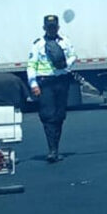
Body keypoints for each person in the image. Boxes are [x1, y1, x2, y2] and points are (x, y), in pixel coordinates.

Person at [27, 15, 77, 163]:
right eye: (49, 27)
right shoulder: (38, 44)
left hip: (62, 80)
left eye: (54, 27)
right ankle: (52, 150)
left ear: (58, 27)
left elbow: (74, 56)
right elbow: (31, 65)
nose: (52, 29)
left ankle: (56, 146)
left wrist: (65, 63)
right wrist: (33, 84)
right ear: (44, 28)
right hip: (45, 82)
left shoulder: (65, 42)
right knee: (48, 115)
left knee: (60, 115)